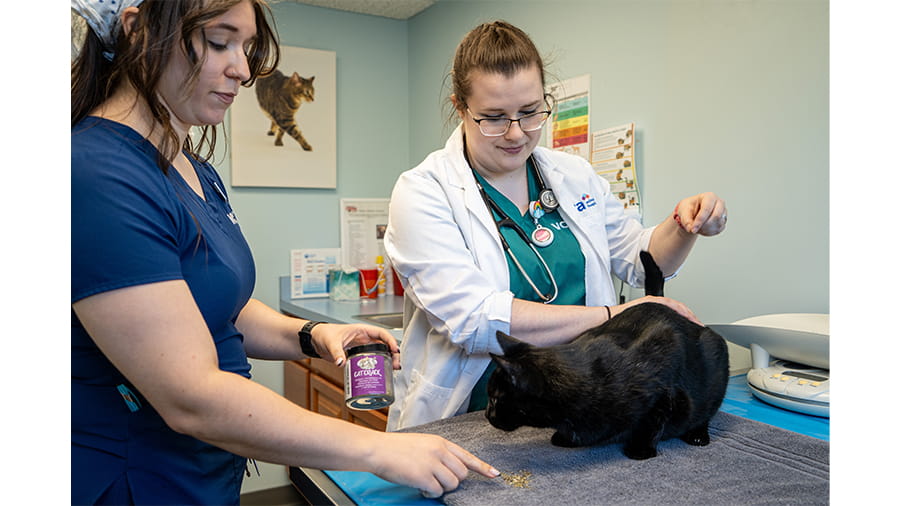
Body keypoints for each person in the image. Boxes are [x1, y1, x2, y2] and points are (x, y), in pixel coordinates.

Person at [70, 1, 498, 503]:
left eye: (247, 47)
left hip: (203, 471)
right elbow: (192, 397)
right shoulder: (95, 174)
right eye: (218, 41)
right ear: (137, 30)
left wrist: (313, 334)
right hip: (136, 479)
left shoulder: (191, 167)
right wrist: (376, 449)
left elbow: (216, 303)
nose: (243, 69)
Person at [384, 20, 728, 431]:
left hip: (579, 405)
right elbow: (476, 320)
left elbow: (639, 260)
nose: (516, 133)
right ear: (461, 107)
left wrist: (684, 224)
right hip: (475, 415)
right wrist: (613, 315)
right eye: (493, 117)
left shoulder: (574, 175)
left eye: (530, 112)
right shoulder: (424, 191)